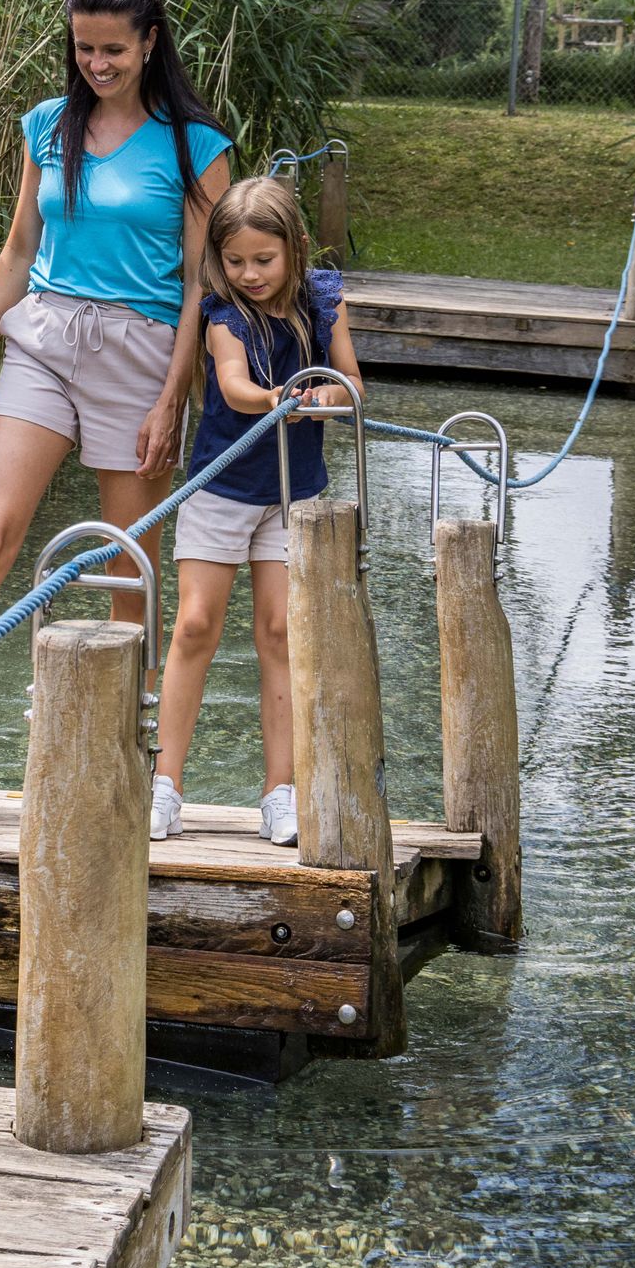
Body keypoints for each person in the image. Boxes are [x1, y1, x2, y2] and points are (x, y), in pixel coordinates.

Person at [0, 0, 230, 826]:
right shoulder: (48, 124)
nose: (97, 64)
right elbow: (15, 248)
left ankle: (125, 763)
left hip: (141, 351)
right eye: (83, 48)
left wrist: (171, 396)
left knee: (127, 563)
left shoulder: (196, 144)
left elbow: (204, 283)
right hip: (42, 340)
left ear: (150, 42)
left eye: (114, 49)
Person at [151, 174, 362, 849]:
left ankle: (280, 790)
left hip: (292, 492)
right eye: (236, 261)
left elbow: (353, 381)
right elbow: (236, 385)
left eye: (264, 261)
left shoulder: (324, 301)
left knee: (279, 632)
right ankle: (165, 783)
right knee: (194, 625)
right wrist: (282, 397)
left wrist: (327, 396)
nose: (250, 274)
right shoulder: (224, 312)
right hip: (221, 489)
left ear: (296, 248)